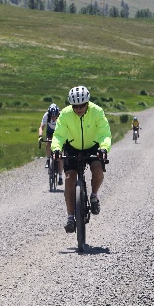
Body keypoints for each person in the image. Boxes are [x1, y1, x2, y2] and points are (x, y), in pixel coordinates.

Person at [50, 86, 111, 234]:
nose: (78, 109)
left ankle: (94, 196)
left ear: (87, 103)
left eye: (82, 105)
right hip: (72, 147)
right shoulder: (64, 115)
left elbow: (104, 133)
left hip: (92, 146)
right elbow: (58, 135)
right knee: (70, 178)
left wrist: (103, 148)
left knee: (97, 169)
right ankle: (71, 218)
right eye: (75, 106)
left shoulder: (97, 112)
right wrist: (56, 149)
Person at [38, 103, 63, 185]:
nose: (53, 117)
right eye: (52, 116)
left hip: (59, 132)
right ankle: (48, 159)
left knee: (60, 155)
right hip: (50, 132)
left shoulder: (62, 116)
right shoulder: (46, 115)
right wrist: (40, 136)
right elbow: (41, 127)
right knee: (48, 143)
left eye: (55, 116)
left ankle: (60, 176)